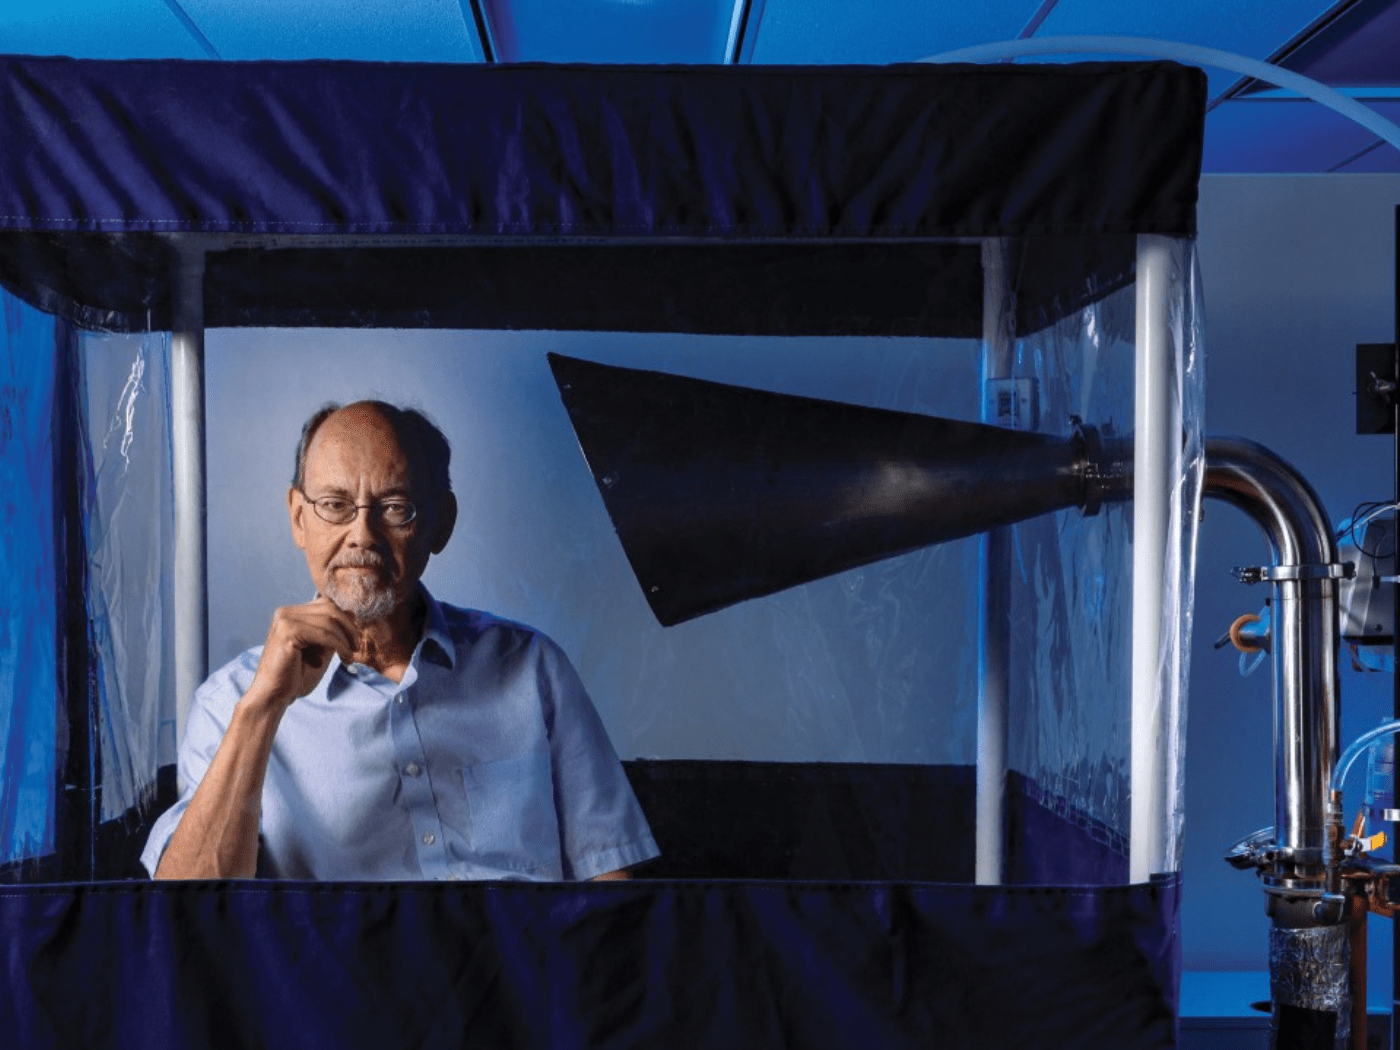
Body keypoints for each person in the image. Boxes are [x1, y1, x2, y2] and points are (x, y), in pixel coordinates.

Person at [142, 399, 659, 881]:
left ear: (441, 523)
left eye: (395, 507)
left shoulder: (531, 667)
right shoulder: (231, 701)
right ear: (299, 518)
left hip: (526, 977)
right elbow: (185, 916)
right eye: (335, 505)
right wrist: (263, 709)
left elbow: (611, 883)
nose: (362, 535)